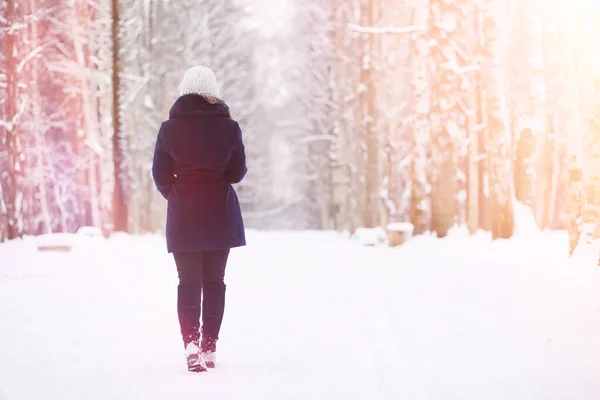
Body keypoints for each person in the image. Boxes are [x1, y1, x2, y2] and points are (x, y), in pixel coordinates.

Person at [152, 65, 247, 372]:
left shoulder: (169, 129)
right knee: (215, 282)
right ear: (213, 93)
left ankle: (191, 345)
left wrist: (177, 195)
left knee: (188, 282)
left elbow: (160, 174)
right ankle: (209, 347)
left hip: (184, 215)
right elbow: (237, 172)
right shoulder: (229, 127)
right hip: (220, 212)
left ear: (184, 91)